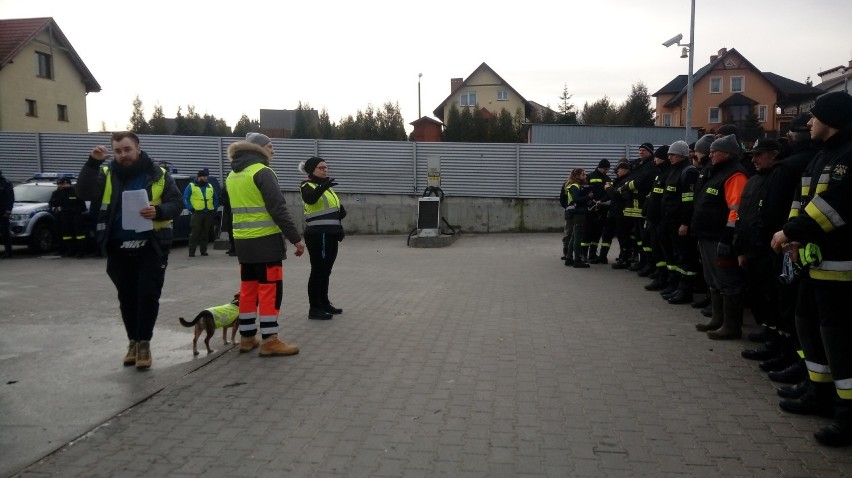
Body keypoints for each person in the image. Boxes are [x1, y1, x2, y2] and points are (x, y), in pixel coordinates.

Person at [770, 91, 852, 447]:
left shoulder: (848, 156)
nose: (808, 123)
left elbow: (837, 206)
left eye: (814, 116)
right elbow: (801, 202)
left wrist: (792, 231)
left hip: (842, 270)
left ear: (831, 119)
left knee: (841, 343)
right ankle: (817, 393)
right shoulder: (822, 156)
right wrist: (792, 237)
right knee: (810, 329)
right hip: (812, 263)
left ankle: (848, 417)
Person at [76, 132, 183, 369]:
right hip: (117, 246)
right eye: (118, 151)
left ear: (138, 148)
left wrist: (159, 211)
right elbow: (84, 193)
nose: (123, 155)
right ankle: (132, 342)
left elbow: (177, 204)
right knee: (127, 298)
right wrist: (92, 162)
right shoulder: (106, 174)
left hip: (151, 246)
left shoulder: (159, 175)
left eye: (127, 149)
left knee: (147, 295)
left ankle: (144, 343)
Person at [226, 132, 306, 357]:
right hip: (265, 243)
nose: (274, 150)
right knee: (270, 290)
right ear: (257, 149)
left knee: (248, 290)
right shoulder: (263, 172)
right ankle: (270, 340)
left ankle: (247, 337)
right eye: (270, 146)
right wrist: (296, 239)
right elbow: (278, 208)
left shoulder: (233, 175)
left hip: (243, 244)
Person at [692, 134, 748, 339]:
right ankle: (717, 319)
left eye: (715, 151)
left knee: (727, 280)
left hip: (720, 237)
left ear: (728, 153)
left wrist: (728, 236)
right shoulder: (716, 172)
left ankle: (731, 326)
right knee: (713, 278)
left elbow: (736, 208)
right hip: (707, 234)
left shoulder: (735, 175)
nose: (711, 154)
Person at [299, 156, 346, 320]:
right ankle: (315, 308)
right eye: (321, 168)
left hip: (330, 234)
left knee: (326, 271)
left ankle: (324, 303)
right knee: (318, 271)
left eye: (326, 167)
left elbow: (337, 211)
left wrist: (339, 226)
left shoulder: (327, 187)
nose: (325, 170)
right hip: (318, 235)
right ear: (312, 170)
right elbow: (310, 198)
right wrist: (324, 186)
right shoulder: (307, 185)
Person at [658, 140, 700, 305]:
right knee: (674, 255)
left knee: (685, 257)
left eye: (673, 154)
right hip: (669, 221)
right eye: (669, 155)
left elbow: (688, 201)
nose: (670, 157)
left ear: (682, 155)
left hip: (680, 223)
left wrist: (685, 222)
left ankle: (685, 290)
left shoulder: (688, 172)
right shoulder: (673, 171)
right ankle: (675, 285)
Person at [183, 169, 219, 257]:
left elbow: (215, 197)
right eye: (204, 176)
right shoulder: (191, 186)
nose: (206, 178)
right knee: (195, 233)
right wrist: (191, 208)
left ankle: (203, 251)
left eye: (206, 176)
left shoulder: (209, 186)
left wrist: (214, 207)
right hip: (197, 213)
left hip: (208, 212)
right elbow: (186, 198)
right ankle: (192, 252)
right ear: (199, 177)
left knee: (205, 233)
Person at [49, 177, 88, 257]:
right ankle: (69, 251)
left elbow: (82, 206)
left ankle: (81, 251)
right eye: (62, 183)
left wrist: (69, 209)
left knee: (79, 235)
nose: (64, 185)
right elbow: (52, 203)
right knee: (66, 235)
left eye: (66, 183)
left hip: (76, 217)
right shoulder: (58, 193)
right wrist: (55, 208)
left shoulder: (76, 192)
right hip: (64, 217)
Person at [561, 168, 592, 268]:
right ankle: (577, 260)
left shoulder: (575, 185)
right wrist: (588, 197)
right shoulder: (575, 186)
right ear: (577, 176)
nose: (585, 176)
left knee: (574, 236)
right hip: (578, 213)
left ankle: (569, 258)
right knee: (577, 238)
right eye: (583, 175)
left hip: (576, 212)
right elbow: (577, 199)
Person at [583, 159, 612, 263]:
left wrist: (602, 201)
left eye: (608, 169)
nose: (606, 171)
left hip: (602, 209)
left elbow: (609, 193)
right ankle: (583, 254)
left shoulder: (608, 178)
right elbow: (585, 190)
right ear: (600, 167)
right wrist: (590, 201)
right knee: (587, 232)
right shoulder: (590, 176)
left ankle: (592, 254)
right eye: (605, 169)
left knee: (597, 232)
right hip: (591, 209)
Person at [0, 170, 14, 258]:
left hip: (2, 212)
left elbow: (10, 198)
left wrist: (8, 211)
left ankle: (8, 252)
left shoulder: (5, 183)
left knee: (5, 233)